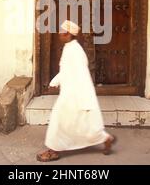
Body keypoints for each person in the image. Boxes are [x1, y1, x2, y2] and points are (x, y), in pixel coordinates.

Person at [36, 20, 116, 162]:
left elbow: (81, 75)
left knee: (58, 120)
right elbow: (66, 71)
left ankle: (53, 151)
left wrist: (81, 97)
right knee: (80, 124)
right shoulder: (70, 48)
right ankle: (105, 138)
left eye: (61, 31)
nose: (59, 34)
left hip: (74, 94)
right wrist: (55, 81)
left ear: (67, 33)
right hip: (70, 92)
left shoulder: (75, 51)